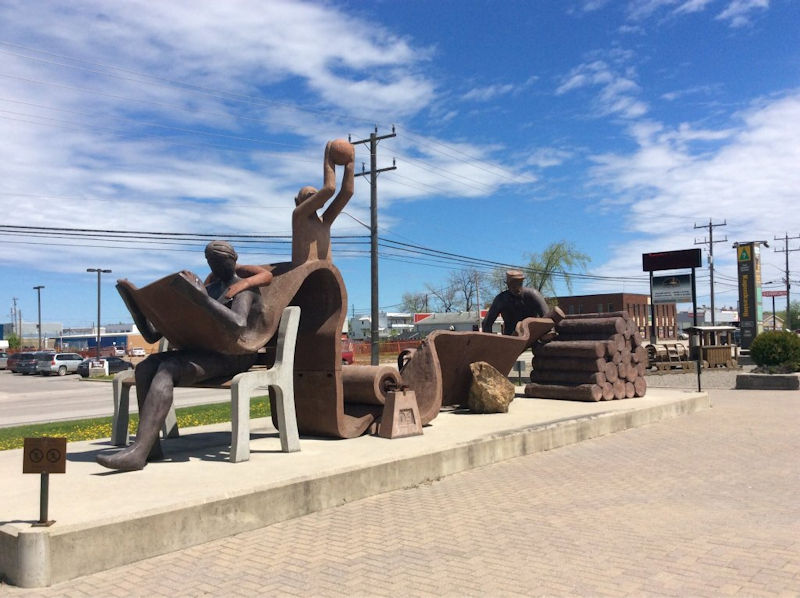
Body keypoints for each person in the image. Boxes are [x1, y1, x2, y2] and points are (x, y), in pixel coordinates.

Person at [97, 241, 271, 471]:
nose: (216, 266)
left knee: (168, 369)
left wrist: (201, 299)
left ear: (234, 260)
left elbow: (238, 324)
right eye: (211, 262)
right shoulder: (210, 289)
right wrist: (136, 306)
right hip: (204, 351)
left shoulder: (243, 289)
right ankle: (150, 447)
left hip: (233, 355)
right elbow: (151, 335)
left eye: (220, 261)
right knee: (145, 368)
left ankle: (138, 451)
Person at [291, 139, 355, 266]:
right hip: (304, 275)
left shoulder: (325, 221)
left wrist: (351, 165)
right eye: (307, 194)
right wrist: (328, 157)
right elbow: (329, 189)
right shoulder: (299, 217)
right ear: (297, 202)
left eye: (315, 193)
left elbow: (347, 193)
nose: (313, 195)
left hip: (325, 275)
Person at [481, 270, 551, 335]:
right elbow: (486, 323)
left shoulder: (533, 294)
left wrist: (547, 334)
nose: (516, 287)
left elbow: (547, 318)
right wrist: (489, 342)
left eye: (519, 283)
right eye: (513, 283)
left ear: (522, 282)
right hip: (511, 339)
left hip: (532, 336)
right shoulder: (501, 299)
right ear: (508, 284)